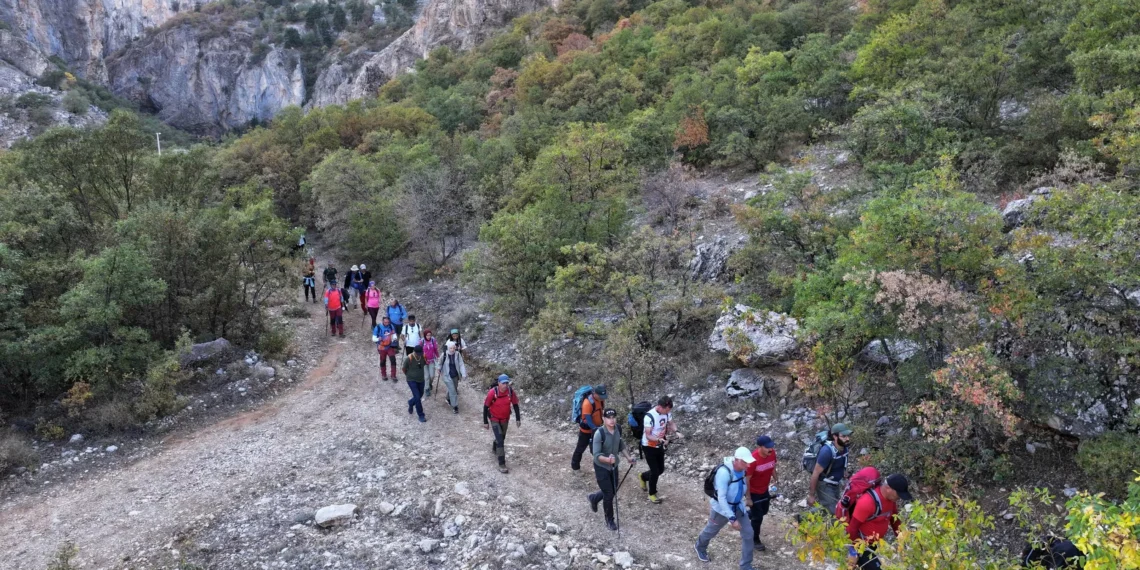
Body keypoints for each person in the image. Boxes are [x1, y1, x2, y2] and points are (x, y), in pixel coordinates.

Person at [695, 447, 757, 569]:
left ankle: (745, 566)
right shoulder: (724, 473)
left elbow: (742, 485)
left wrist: (747, 498)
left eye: (748, 462)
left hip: (738, 507)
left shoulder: (742, 469)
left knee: (749, 534)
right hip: (721, 509)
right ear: (737, 460)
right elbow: (722, 498)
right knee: (711, 530)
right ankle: (700, 546)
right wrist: (732, 518)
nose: (748, 465)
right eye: (745, 462)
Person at [844, 474, 911, 570]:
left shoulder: (891, 500)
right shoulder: (867, 502)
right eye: (898, 494)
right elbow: (852, 529)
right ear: (888, 488)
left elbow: (894, 520)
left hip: (874, 545)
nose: (899, 497)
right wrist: (853, 552)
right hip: (862, 546)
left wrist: (902, 541)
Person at [588, 409, 638, 531]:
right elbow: (596, 455)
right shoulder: (599, 433)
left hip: (614, 466)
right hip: (602, 467)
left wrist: (628, 458)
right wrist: (607, 460)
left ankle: (594, 498)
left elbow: (620, 445)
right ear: (604, 419)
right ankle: (609, 520)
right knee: (609, 495)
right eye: (609, 418)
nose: (612, 420)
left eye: (614, 417)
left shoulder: (617, 429)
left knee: (612, 490)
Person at [638, 395, 676, 504]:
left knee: (660, 470)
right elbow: (648, 435)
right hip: (648, 446)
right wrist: (660, 440)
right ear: (660, 407)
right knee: (655, 471)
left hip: (659, 445)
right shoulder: (649, 416)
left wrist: (676, 431)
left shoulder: (666, 413)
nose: (667, 413)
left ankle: (643, 476)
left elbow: (671, 423)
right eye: (667, 410)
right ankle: (652, 494)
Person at [810, 423, 852, 517]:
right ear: (835, 436)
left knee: (828, 508)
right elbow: (815, 473)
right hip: (825, 484)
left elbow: (842, 464)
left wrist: (844, 478)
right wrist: (811, 495)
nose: (847, 438)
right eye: (844, 436)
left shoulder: (844, 448)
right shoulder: (826, 452)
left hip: (835, 483)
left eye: (848, 436)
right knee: (836, 511)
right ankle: (803, 519)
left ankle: (802, 518)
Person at [745, 435, 778, 552]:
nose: (770, 449)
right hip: (753, 491)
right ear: (759, 447)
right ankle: (754, 540)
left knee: (764, 511)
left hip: (764, 489)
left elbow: (772, 466)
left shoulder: (772, 453)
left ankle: (746, 514)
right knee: (758, 517)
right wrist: (748, 497)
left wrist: (776, 479)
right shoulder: (753, 460)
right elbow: (746, 479)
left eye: (771, 446)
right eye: (767, 447)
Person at [483, 374, 521, 474]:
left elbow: (515, 405)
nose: (505, 385)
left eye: (507, 383)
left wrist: (518, 418)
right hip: (494, 418)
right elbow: (485, 407)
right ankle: (502, 464)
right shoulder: (493, 392)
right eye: (503, 383)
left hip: (505, 419)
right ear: (499, 383)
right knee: (501, 441)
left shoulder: (510, 392)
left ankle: (495, 445)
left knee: (501, 438)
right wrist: (485, 422)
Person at [571, 384, 607, 471]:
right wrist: (597, 430)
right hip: (586, 431)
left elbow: (601, 412)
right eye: (601, 396)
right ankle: (575, 466)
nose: (603, 398)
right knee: (580, 449)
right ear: (595, 394)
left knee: (598, 449)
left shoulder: (601, 400)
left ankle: (602, 467)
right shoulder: (587, 403)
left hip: (597, 428)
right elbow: (588, 420)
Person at [438, 341, 466, 413]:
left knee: (454, 388)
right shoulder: (444, 355)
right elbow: (440, 363)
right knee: (453, 391)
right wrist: (439, 369)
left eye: (454, 348)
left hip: (455, 375)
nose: (452, 349)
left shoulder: (457, 354)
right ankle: (455, 406)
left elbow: (461, 364)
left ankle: (448, 398)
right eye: (451, 348)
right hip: (447, 376)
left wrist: (463, 374)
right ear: (448, 348)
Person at [403, 345, 427, 422]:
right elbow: (404, 368)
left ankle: (411, 402)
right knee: (417, 397)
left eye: (421, 353)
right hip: (411, 380)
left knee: (420, 394)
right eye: (418, 353)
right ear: (415, 352)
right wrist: (409, 375)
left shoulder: (423, 356)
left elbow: (426, 363)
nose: (419, 354)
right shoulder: (409, 358)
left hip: (421, 379)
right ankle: (421, 415)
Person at [372, 316, 398, 381]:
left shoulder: (391, 326)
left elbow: (394, 334)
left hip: (390, 346)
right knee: (383, 361)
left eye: (388, 322)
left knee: (393, 360)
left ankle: (393, 375)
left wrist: (394, 339)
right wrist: (378, 339)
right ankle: (384, 375)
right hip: (382, 347)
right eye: (385, 322)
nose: (387, 323)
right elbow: (373, 339)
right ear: (382, 321)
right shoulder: (377, 327)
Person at [422, 329, 439, 397]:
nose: (428, 336)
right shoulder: (421, 341)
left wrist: (438, 356)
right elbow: (418, 351)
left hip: (432, 360)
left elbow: (435, 349)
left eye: (430, 335)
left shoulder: (433, 340)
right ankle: (427, 389)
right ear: (425, 335)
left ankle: (429, 384)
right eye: (427, 335)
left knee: (432, 376)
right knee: (426, 376)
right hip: (424, 361)